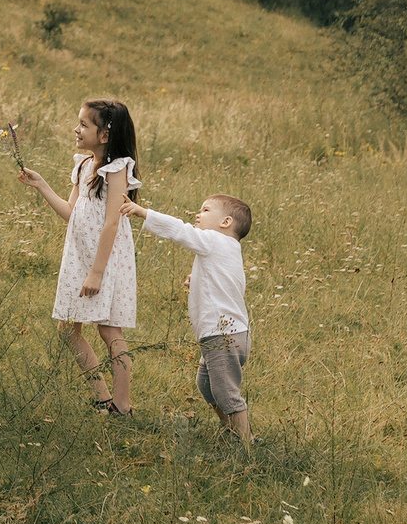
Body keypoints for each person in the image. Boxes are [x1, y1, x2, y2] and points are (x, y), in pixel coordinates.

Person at [17, 99, 141, 413]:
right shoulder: (84, 165)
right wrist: (41, 184)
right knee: (67, 328)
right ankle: (102, 398)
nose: (76, 129)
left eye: (84, 124)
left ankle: (122, 406)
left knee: (108, 328)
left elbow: (112, 221)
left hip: (105, 260)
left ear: (104, 135)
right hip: (80, 257)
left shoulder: (117, 168)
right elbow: (71, 213)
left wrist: (97, 272)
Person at [125, 191, 255, 444]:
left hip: (222, 336)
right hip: (233, 334)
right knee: (207, 385)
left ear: (225, 222)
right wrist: (197, 281)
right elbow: (227, 284)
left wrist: (143, 213)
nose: (198, 214)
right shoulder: (230, 249)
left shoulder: (213, 240)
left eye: (206, 210)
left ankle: (247, 442)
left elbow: (179, 230)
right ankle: (231, 430)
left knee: (226, 392)